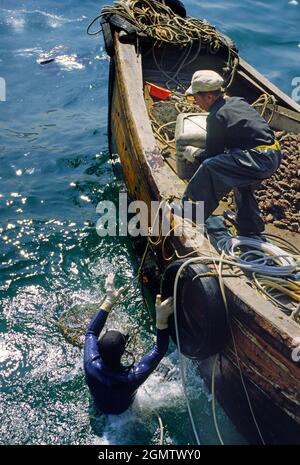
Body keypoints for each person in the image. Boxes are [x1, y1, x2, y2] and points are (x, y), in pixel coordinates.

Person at [182, 70, 282, 236]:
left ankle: (191, 215)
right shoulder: (236, 101)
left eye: (195, 98)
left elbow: (212, 155)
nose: (195, 103)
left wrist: (194, 153)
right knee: (240, 179)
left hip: (259, 159)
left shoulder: (216, 116)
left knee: (211, 167)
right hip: (274, 154)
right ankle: (249, 225)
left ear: (208, 97)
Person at [84, 273, 174, 415]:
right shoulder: (131, 378)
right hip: (125, 414)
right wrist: (161, 320)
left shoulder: (90, 364)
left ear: (98, 349)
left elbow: (91, 333)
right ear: (123, 352)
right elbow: (159, 350)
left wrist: (109, 300)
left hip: (99, 407)